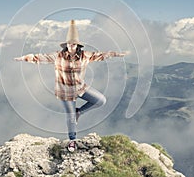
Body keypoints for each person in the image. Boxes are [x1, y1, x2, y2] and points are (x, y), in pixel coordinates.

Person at [14, 20, 127, 152]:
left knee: (100, 100)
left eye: (73, 44)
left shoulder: (85, 56)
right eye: (68, 44)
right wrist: (24, 58)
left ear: (77, 45)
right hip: (65, 92)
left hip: (80, 88)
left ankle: (80, 112)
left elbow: (100, 55)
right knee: (70, 116)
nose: (70, 46)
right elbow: (40, 57)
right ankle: (72, 141)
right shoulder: (58, 56)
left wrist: (116, 54)